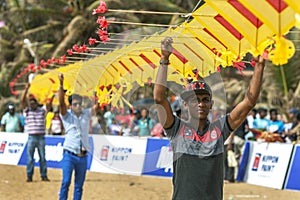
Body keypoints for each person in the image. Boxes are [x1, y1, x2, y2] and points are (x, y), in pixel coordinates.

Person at [153, 37, 265, 200]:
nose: (200, 104)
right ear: (185, 104)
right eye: (194, 100)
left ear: (211, 104)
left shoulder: (220, 129)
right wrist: (164, 59)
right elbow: (159, 98)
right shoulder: (176, 129)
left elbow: (249, 102)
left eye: (205, 100)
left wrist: (260, 66)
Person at [58, 73, 99, 200]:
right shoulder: (66, 115)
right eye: (75, 104)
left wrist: (97, 90)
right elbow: (61, 103)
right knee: (65, 182)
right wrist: (61, 84)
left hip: (82, 156)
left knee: (79, 186)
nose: (78, 106)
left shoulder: (86, 114)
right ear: (70, 105)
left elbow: (97, 106)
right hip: (69, 154)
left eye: (79, 103)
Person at [21, 83, 51, 182]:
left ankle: (44, 175)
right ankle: (29, 176)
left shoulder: (41, 110)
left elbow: (48, 105)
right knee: (30, 158)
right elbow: (22, 100)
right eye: (31, 103)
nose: (32, 105)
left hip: (41, 136)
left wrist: (48, 93)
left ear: (36, 103)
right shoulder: (27, 111)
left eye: (34, 103)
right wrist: (26, 90)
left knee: (43, 157)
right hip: (32, 137)